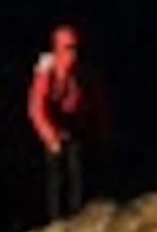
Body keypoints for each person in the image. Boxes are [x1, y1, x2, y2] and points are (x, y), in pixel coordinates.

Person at [27, 23, 107, 221]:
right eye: (69, 48)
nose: (74, 53)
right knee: (57, 177)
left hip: (78, 126)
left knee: (79, 171)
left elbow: (98, 101)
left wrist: (101, 130)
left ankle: (78, 213)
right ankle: (57, 219)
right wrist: (51, 137)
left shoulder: (85, 70)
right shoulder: (47, 71)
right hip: (55, 129)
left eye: (76, 48)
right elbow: (36, 107)